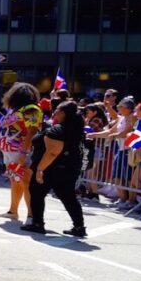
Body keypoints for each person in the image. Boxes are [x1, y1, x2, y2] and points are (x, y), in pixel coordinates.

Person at [22, 100, 87, 237]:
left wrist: (40, 169)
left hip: (52, 168)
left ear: (63, 113)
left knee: (37, 192)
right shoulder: (73, 128)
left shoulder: (58, 130)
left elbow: (52, 152)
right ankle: (79, 226)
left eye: (57, 109)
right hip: (68, 168)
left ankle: (37, 223)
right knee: (68, 196)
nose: (54, 111)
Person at [0, 82, 43, 222]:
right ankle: (13, 211)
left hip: (22, 151)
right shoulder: (16, 110)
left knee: (26, 182)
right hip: (10, 151)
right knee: (15, 180)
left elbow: (32, 130)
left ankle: (31, 215)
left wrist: (24, 152)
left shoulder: (31, 109)